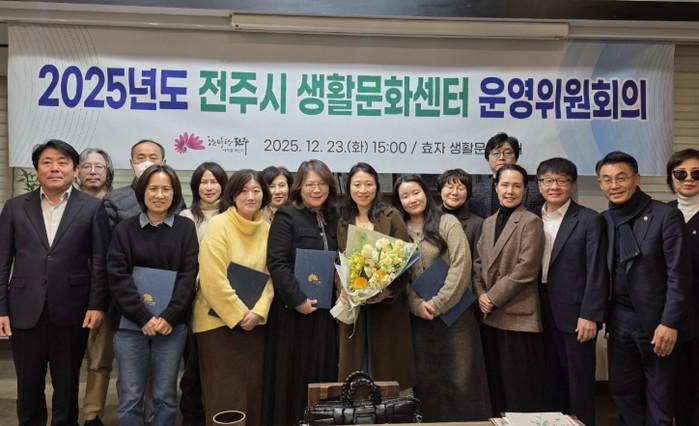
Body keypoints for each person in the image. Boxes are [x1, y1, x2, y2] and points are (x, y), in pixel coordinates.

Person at [0, 139, 111, 426]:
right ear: (37, 169)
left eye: (62, 162)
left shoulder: (91, 208)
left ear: (75, 170)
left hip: (73, 309)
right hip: (24, 309)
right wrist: (2, 309)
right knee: (28, 384)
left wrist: (97, 304)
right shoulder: (15, 207)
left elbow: (100, 261)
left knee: (67, 383)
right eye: (47, 162)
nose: (54, 168)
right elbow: (2, 262)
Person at [596, 151, 691, 425]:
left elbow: (678, 276)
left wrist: (669, 323)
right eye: (607, 179)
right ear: (600, 184)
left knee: (660, 401)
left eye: (621, 177)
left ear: (636, 179)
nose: (614, 185)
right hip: (619, 321)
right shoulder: (604, 220)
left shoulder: (666, 216)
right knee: (624, 394)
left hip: (657, 323)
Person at [393, 175, 490, 421]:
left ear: (426, 193)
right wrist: (416, 305)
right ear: (399, 201)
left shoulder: (447, 222)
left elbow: (462, 264)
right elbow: (398, 275)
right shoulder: (398, 229)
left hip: (456, 314)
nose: (412, 199)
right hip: (420, 318)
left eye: (416, 193)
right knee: (427, 381)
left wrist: (440, 302)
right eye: (405, 196)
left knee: (463, 380)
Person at [107, 165, 199, 426]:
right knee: (130, 396)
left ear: (175, 193)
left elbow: (188, 275)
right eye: (153, 188)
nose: (159, 195)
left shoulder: (185, 228)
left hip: (172, 326)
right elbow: (118, 277)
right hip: (130, 326)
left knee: (166, 396)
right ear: (142, 192)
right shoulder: (124, 229)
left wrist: (169, 316)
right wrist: (143, 317)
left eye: (166, 189)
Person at [193, 169, 273, 426]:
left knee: (254, 394)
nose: (250, 196)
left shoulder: (267, 228)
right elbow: (212, 278)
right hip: (216, 324)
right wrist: (238, 314)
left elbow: (272, 276)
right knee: (224, 397)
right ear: (233, 195)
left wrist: (258, 312)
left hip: (255, 325)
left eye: (256, 191)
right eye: (243, 191)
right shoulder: (219, 225)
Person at [263, 159, 339, 426]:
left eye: (321, 184)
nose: (316, 190)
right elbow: (277, 262)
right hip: (293, 315)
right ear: (299, 187)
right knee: (293, 375)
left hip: (326, 313)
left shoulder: (334, 217)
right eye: (310, 185)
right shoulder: (286, 216)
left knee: (323, 372)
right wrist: (298, 300)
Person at [535, 158, 608, 426]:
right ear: (539, 185)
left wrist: (590, 314)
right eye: (548, 181)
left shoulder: (589, 219)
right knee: (547, 379)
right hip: (537, 309)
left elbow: (597, 271)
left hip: (576, 314)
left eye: (562, 181)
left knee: (579, 383)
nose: (554, 186)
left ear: (572, 185)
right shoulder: (531, 217)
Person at [472, 163, 546, 415]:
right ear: (496, 187)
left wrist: (492, 297)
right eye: (505, 185)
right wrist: (481, 294)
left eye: (516, 186)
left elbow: (527, 269)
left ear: (525, 190)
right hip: (490, 315)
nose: (510, 191)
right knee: (495, 383)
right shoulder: (488, 222)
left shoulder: (531, 221)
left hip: (517, 314)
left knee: (520, 386)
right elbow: (478, 264)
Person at [335, 162, 416, 392]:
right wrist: (343, 288)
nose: (363, 190)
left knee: (389, 372)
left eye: (368, 184)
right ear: (348, 187)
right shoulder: (344, 221)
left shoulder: (391, 216)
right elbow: (339, 260)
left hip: (387, 309)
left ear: (377, 186)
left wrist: (388, 291)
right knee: (355, 368)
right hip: (355, 307)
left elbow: (405, 261)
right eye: (357, 184)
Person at [179, 162, 228, 426]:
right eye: (203, 182)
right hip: (195, 299)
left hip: (228, 298)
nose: (209, 187)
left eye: (214, 181)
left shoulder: (234, 214)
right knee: (193, 367)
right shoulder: (186, 217)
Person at [77, 147, 116, 426]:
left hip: (106, 296)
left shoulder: (118, 205)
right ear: (77, 171)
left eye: (99, 167)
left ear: (107, 172)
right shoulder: (68, 204)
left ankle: (92, 415)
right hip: (70, 293)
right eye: (87, 166)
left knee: (99, 360)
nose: (93, 171)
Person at [666, 149, 699, 425]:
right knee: (678, 386)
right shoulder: (661, 213)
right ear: (671, 177)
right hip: (671, 316)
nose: (688, 178)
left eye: (696, 174)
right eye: (681, 173)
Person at [103, 139, 184, 228]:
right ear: (131, 163)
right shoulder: (113, 200)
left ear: (163, 163)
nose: (147, 163)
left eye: (153, 158)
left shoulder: (174, 197)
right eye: (141, 158)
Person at [467, 132, 543, 219]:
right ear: (487, 158)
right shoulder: (476, 191)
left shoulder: (534, 190)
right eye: (496, 153)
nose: (501, 157)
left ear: (516, 157)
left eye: (507, 153)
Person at [437, 168, 483, 259]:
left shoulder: (477, 224)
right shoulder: (428, 217)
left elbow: (477, 260)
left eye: (460, 188)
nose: (455, 192)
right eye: (450, 187)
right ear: (440, 190)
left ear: (468, 193)